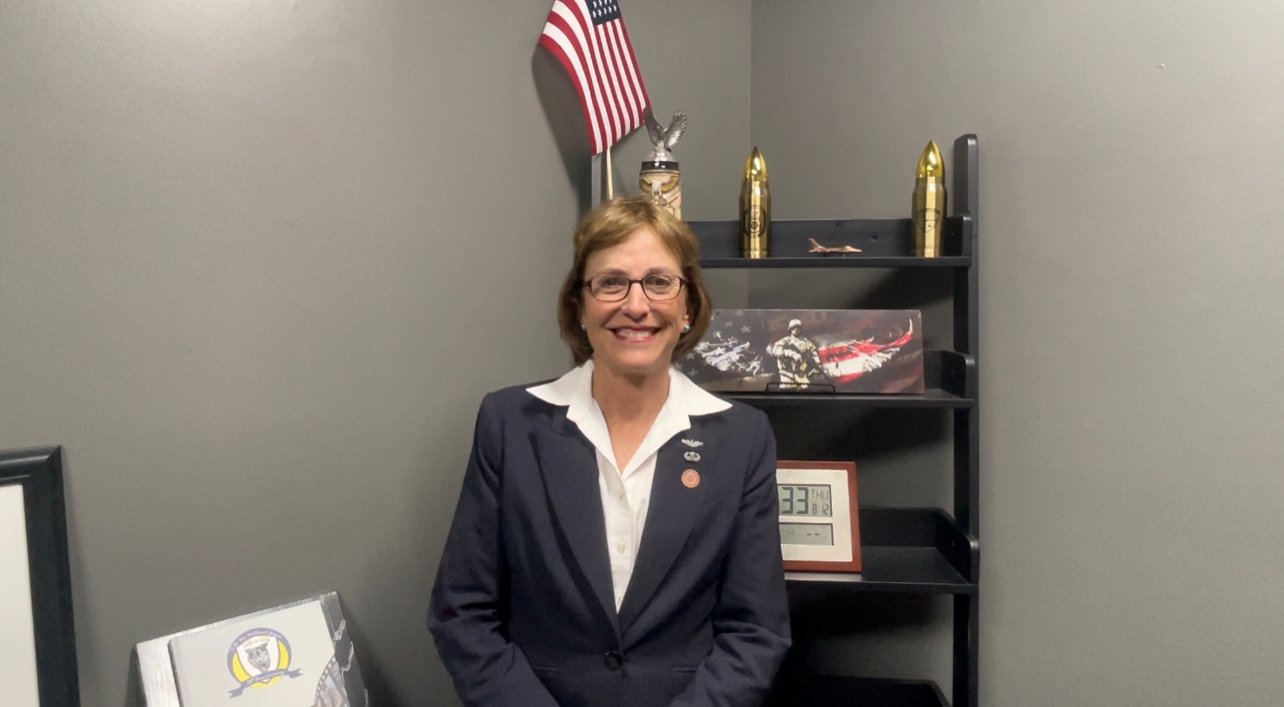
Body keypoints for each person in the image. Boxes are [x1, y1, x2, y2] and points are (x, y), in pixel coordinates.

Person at [429, 197, 790, 707]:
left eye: (659, 282)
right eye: (611, 282)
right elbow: (462, 613)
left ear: (688, 306)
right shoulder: (509, 425)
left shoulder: (742, 438)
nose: (636, 306)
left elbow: (756, 631)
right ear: (580, 306)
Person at [767, 318, 823, 390]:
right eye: (793, 327)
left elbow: (814, 354)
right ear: (790, 329)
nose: (796, 329)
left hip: (801, 372)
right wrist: (791, 354)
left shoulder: (806, 342)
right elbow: (775, 350)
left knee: (804, 391)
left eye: (798, 327)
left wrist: (817, 365)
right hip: (787, 373)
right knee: (786, 391)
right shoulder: (785, 341)